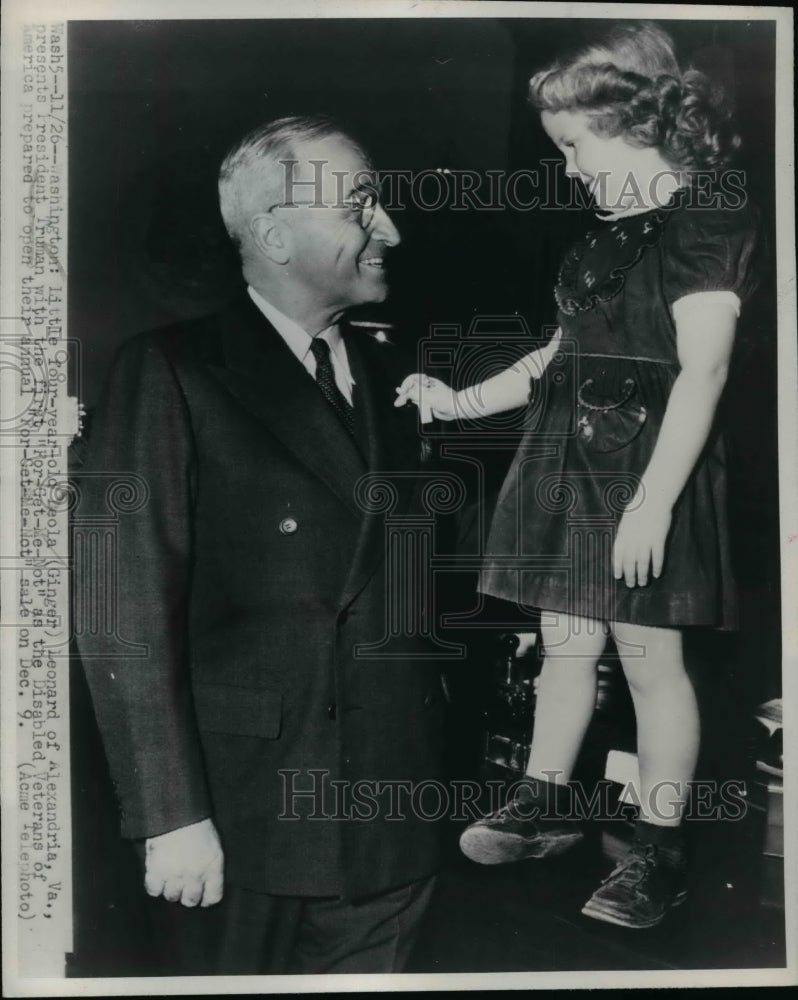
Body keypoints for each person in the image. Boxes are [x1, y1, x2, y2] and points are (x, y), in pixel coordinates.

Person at [395, 21, 759, 930]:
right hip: (569, 468)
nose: (567, 167)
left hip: (646, 472)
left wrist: (654, 503)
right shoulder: (594, 242)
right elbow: (549, 360)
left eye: (574, 145)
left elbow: (704, 373)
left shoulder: (708, 216)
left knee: (648, 660)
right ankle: (545, 797)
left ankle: (660, 852)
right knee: (566, 643)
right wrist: (454, 401)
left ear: (641, 124)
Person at [76, 115, 448, 974]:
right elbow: (121, 606)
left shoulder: (400, 377)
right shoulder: (172, 371)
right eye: (362, 206)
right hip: (240, 828)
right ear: (276, 234)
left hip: (392, 827)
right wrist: (170, 816)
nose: (390, 227)